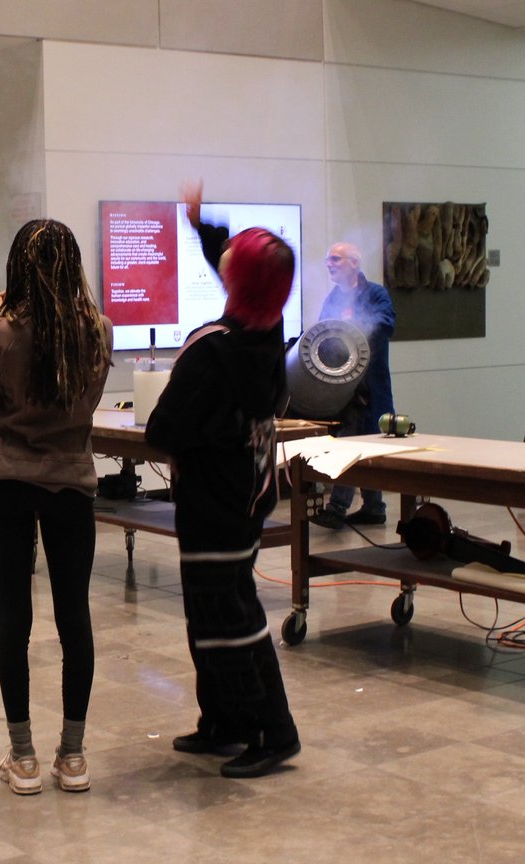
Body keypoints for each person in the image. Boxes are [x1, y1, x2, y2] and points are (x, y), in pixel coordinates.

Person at [145, 183, 300, 779]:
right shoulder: (265, 330)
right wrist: (200, 225)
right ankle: (226, 720)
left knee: (228, 616)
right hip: (248, 494)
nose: (223, 262)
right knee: (214, 607)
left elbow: (164, 429)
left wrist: (180, 439)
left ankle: (271, 729)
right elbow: (242, 270)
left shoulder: (214, 351)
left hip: (213, 500)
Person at [0, 219, 112, 794]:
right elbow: (88, 406)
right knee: (73, 616)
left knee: (15, 615)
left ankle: (24, 758)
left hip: (9, 481)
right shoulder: (99, 328)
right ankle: (73, 757)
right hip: (71, 483)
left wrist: (2, 320)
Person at [309, 242, 395, 529]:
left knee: (362, 445)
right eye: (327, 259)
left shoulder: (376, 295)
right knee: (351, 442)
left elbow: (385, 324)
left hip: (370, 386)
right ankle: (373, 507)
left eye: (335, 258)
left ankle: (340, 508)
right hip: (343, 387)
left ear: (354, 263)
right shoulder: (332, 299)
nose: (329, 264)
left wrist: (354, 329)